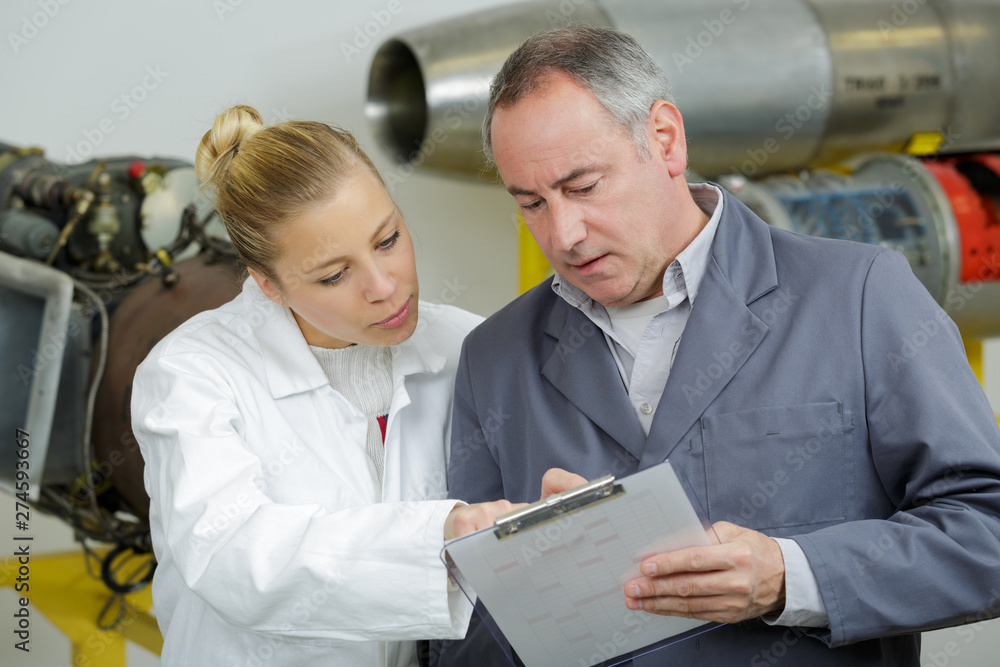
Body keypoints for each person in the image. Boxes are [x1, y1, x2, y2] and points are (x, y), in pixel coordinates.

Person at [430, 26, 1000, 666]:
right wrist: (532, 574)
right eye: (531, 203)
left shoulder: (861, 295)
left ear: (664, 139)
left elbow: (989, 532)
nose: (564, 235)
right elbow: (461, 633)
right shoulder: (493, 358)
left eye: (583, 187)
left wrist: (790, 576)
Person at [131, 105, 524, 667]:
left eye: (387, 239)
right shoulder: (192, 374)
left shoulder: (466, 345)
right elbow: (234, 557)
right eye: (334, 275)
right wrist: (442, 533)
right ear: (268, 285)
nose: (384, 287)